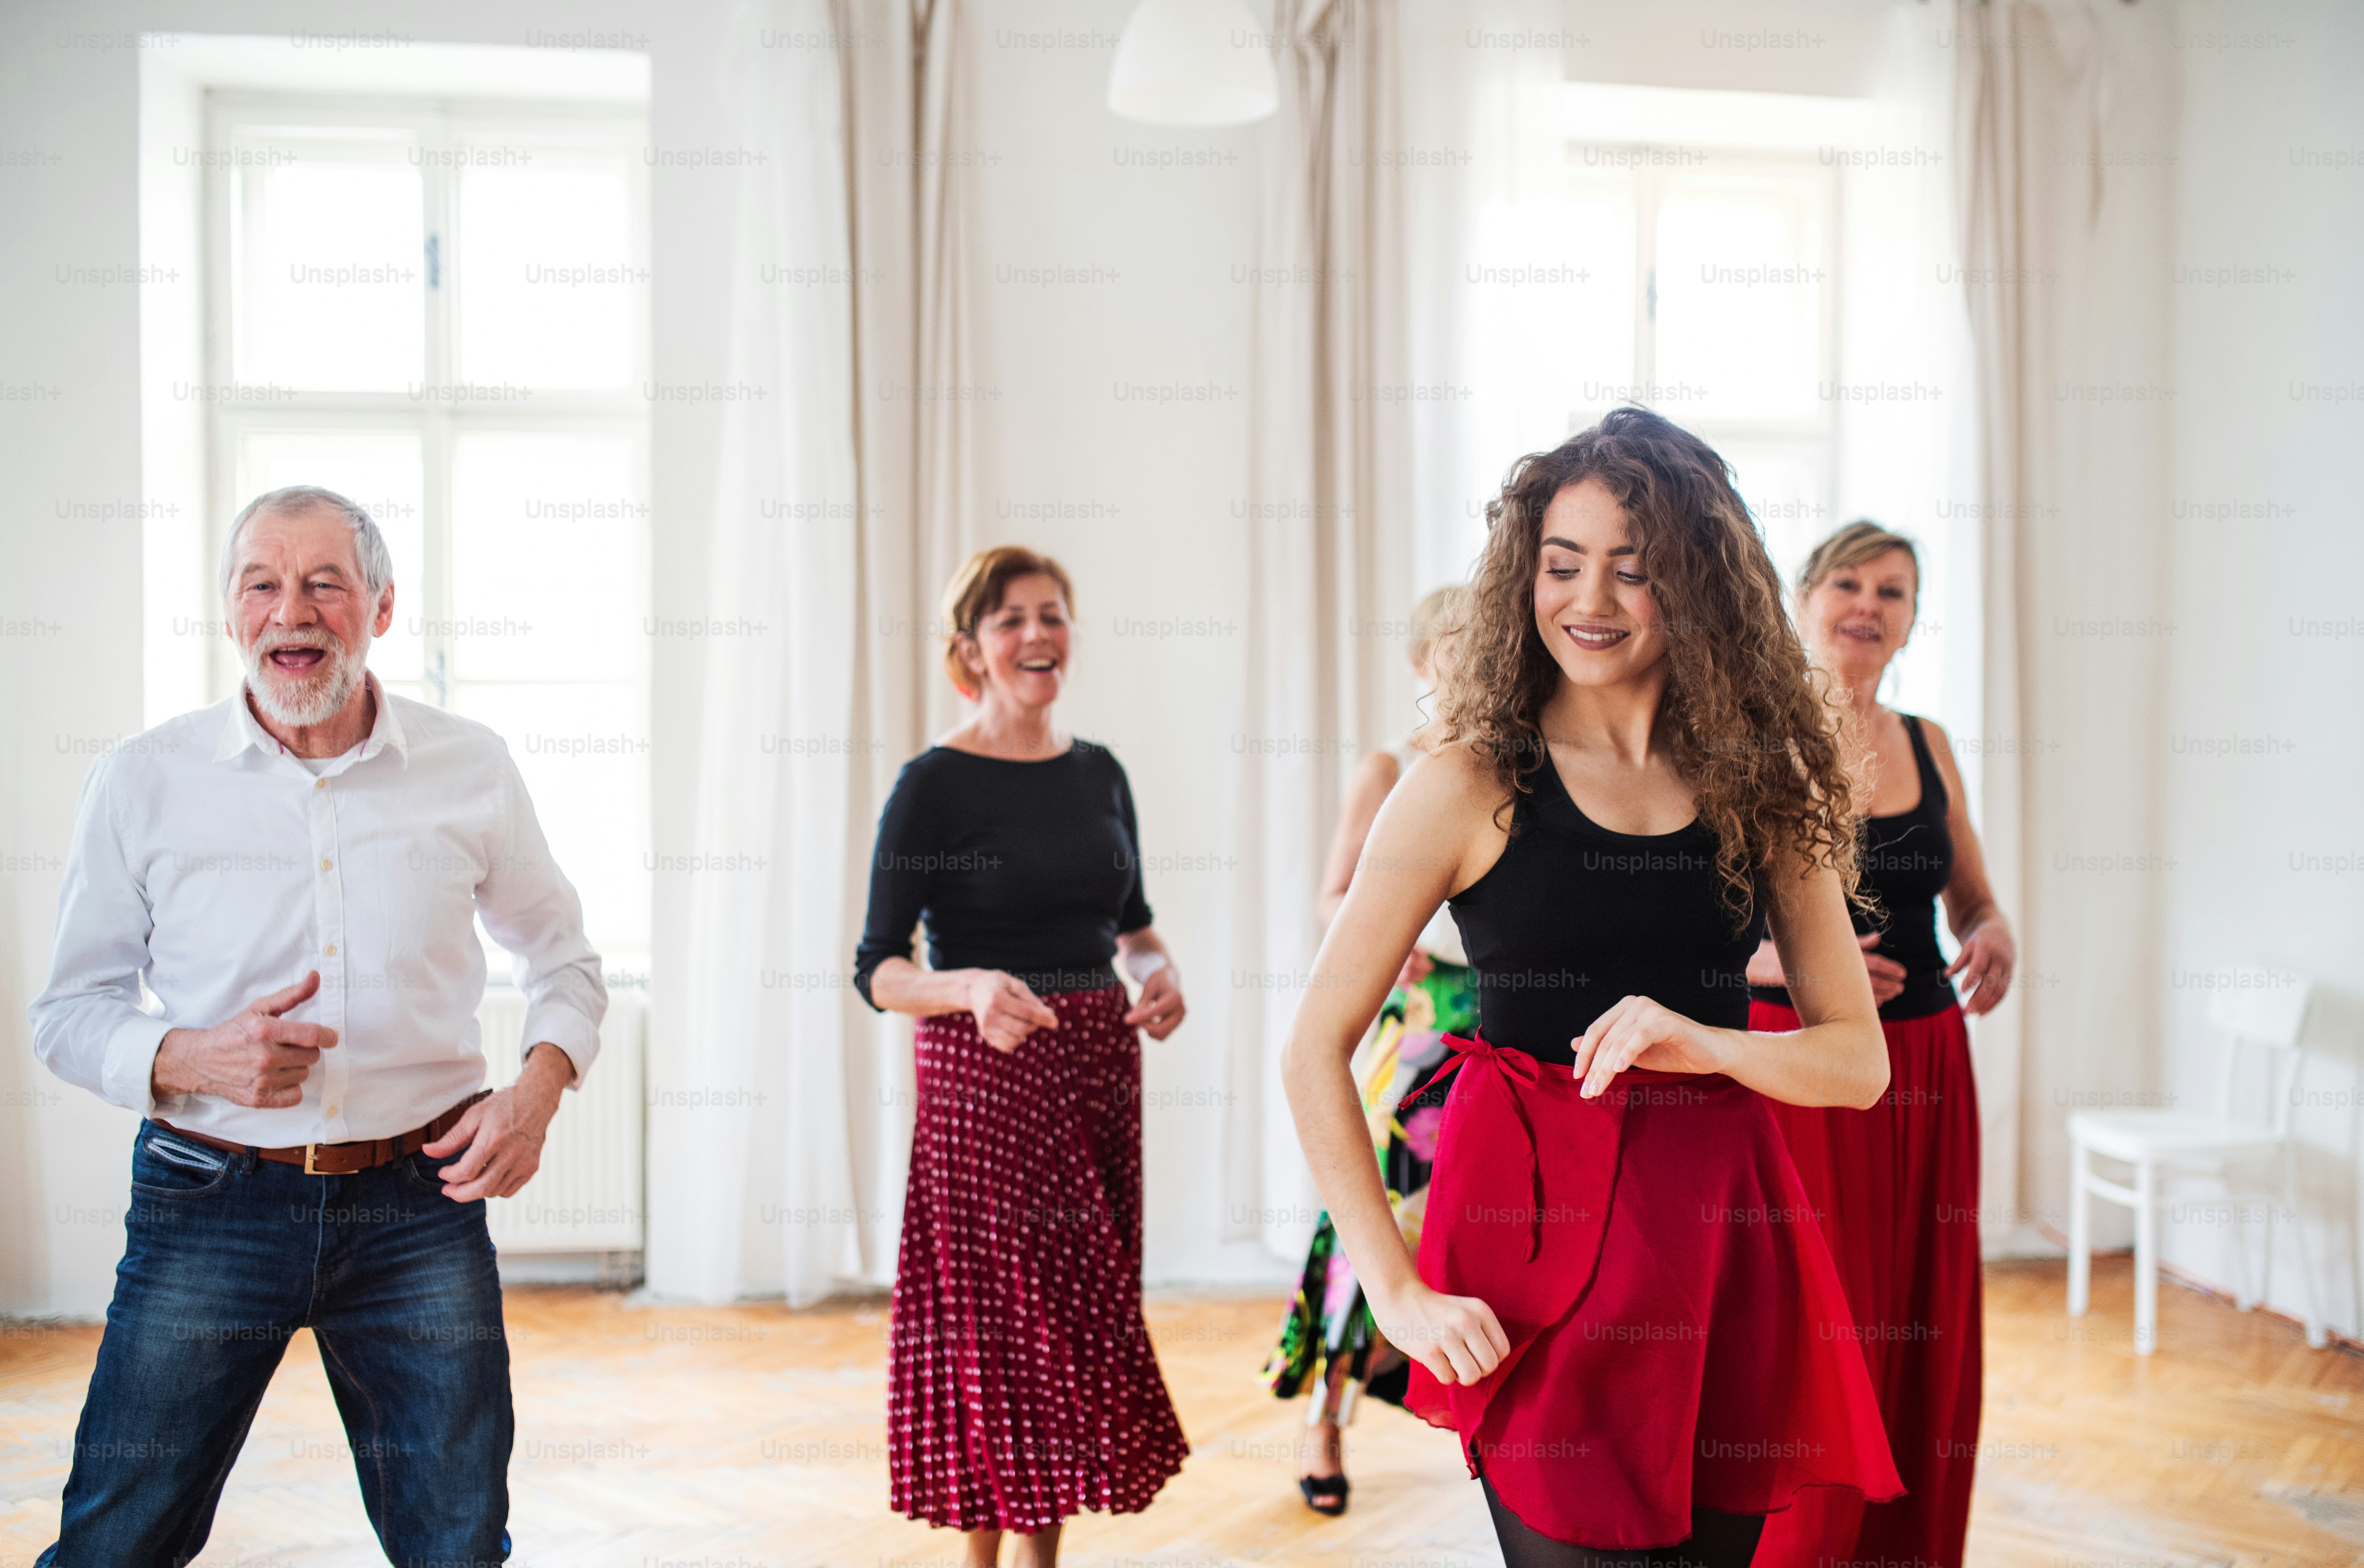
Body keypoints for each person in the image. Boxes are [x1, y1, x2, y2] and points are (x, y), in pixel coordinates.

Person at [1281, 408, 1906, 1568]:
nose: (1593, 600)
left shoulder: (1756, 783)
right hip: (1530, 1252)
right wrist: (1396, 1292)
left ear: (1700, 584)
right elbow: (1311, 1046)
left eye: (1635, 568)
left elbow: (1856, 1063)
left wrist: (1707, 1043)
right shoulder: (1464, 782)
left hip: (1724, 1246)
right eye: (1562, 565)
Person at [29, 485, 606, 1567]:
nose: (291, 612)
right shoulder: (142, 782)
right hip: (210, 1200)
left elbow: (564, 962)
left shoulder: (470, 768)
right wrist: (190, 1055)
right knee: (116, 1542)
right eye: (262, 585)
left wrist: (535, 1094)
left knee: (458, 1544)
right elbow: (66, 1015)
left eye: (325, 585)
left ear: (381, 609)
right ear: (232, 612)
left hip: (419, 1210)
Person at [852, 546, 1188, 1568]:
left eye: (1052, 614)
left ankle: (1035, 1560)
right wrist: (967, 989)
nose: (1037, 634)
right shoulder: (933, 785)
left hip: (1097, 1068)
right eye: (1011, 620)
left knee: (1077, 1317)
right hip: (986, 1069)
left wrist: (1162, 973)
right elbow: (877, 969)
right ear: (972, 652)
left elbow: (1132, 928)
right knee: (1009, 1324)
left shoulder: (1102, 774)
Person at [1746, 521, 2015, 1568]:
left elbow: (1972, 890)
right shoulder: (1749, 734)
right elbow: (1687, 914)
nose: (1868, 604)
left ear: (1909, 619)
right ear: (1805, 598)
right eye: (1848, 583)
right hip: (1800, 1068)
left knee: (1918, 1316)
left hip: (1928, 1066)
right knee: (1815, 1326)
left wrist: (1993, 927)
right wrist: (1764, 966)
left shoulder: (1928, 739)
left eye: (1893, 591)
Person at [1263, 586, 1474, 1516]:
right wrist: (1393, 940)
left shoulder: (1524, 760)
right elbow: (1332, 898)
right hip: (1419, 1020)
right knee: (1375, 1218)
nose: (1472, 660)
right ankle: (1327, 1416)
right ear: (1423, 662)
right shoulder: (1392, 766)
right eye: (1455, 646)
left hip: (1503, 1028)